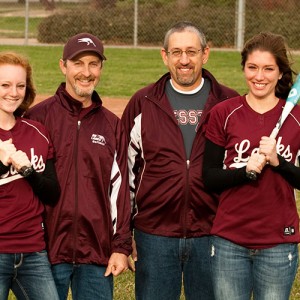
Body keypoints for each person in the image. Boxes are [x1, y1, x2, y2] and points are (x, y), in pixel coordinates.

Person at [121, 21, 239, 299]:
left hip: (213, 232)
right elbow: (124, 171)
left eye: (191, 51)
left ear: (205, 54)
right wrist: (125, 234)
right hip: (155, 233)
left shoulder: (229, 103)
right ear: (165, 56)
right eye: (176, 52)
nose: (184, 60)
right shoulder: (144, 102)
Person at [25, 33, 132, 300]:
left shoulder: (111, 125)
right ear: (63, 66)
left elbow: (119, 192)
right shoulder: (38, 118)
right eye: (78, 63)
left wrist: (121, 247)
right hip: (46, 252)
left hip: (95, 252)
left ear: (101, 69)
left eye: (93, 64)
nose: (86, 72)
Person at [203, 32, 300, 300]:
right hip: (229, 239)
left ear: (280, 73)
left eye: (269, 69)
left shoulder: (297, 118)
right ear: (244, 68)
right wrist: (245, 172)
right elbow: (209, 177)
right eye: (252, 67)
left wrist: (278, 163)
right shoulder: (224, 113)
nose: (259, 76)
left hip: (279, 241)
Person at [0, 52, 60, 299]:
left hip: (33, 252)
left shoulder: (38, 133)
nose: (13, 92)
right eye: (4, 85)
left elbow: (52, 193)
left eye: (20, 85)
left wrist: (27, 171)